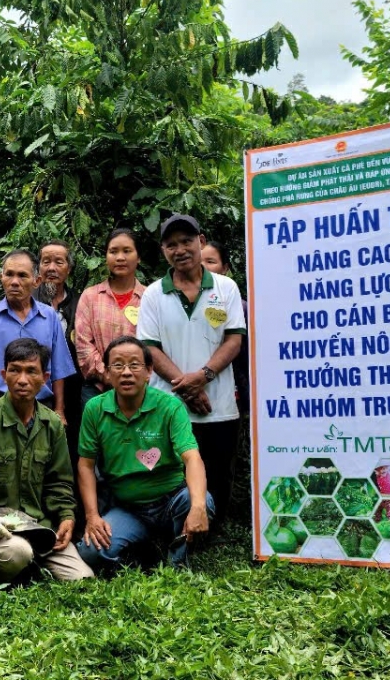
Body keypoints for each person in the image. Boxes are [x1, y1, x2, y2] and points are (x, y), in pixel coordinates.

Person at [0, 338, 94, 582]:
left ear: (45, 378)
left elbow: (59, 482)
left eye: (31, 371)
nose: (22, 379)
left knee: (82, 577)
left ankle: (30, 564)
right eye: (15, 370)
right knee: (17, 553)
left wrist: (67, 517)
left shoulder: (52, 424)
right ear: (4, 375)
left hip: (40, 528)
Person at [136, 214, 245, 527]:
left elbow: (234, 339)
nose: (180, 249)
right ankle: (175, 526)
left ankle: (212, 528)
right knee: (170, 471)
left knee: (217, 469)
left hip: (218, 404)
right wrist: (185, 387)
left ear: (201, 241)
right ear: (163, 251)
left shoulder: (226, 288)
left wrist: (204, 377)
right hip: (168, 405)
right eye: (171, 244)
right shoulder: (154, 294)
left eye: (186, 241)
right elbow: (150, 348)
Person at [75, 336, 212, 570]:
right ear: (107, 373)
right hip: (128, 507)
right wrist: (92, 516)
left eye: (134, 365)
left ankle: (177, 562)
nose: (126, 372)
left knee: (200, 501)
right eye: (117, 365)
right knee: (90, 552)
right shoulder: (95, 409)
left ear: (149, 371)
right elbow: (86, 465)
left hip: (172, 500)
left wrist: (198, 506)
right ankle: (145, 548)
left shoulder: (170, 406)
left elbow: (192, 458)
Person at [0, 250, 77, 420]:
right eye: (9, 275)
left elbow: (59, 367)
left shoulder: (49, 317)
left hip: (42, 405)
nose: (14, 282)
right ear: (1, 278)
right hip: (0, 404)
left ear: (36, 281)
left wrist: (59, 409)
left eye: (22, 275)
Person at [75, 229, 147, 406]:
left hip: (141, 390)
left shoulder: (150, 298)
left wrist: (133, 375)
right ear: (106, 256)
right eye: (113, 251)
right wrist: (110, 375)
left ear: (138, 257)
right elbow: (83, 346)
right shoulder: (90, 296)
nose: (120, 257)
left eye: (127, 251)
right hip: (97, 390)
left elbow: (155, 345)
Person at [35, 240, 84, 470]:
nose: (51, 268)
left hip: (73, 391)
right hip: (35, 390)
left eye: (59, 262)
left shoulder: (80, 302)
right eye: (46, 262)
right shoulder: (27, 299)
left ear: (69, 268)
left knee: (70, 452)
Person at [201, 240, 250, 419]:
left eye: (210, 262)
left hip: (232, 393)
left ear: (225, 268)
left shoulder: (242, 308)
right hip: (190, 392)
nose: (203, 267)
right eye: (198, 262)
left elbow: (246, 357)